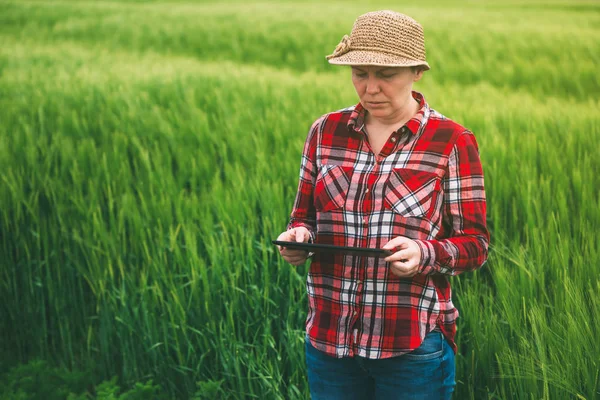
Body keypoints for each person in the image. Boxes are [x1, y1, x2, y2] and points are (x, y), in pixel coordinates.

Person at [276, 10, 489, 400]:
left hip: (411, 346)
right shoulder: (325, 131)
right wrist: (298, 238)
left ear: (416, 72)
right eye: (360, 73)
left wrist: (423, 254)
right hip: (329, 341)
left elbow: (475, 244)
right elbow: (302, 216)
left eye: (385, 75)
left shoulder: (451, 140)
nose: (370, 87)